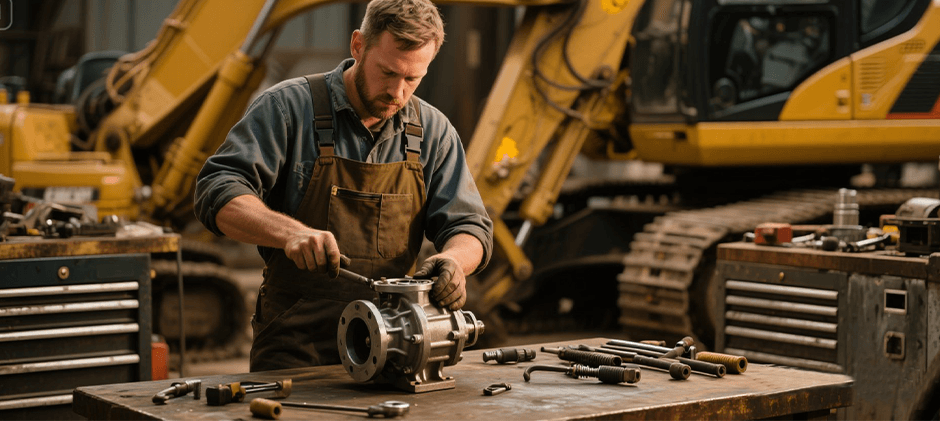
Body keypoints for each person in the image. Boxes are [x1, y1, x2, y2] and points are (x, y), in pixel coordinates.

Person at [193, 0, 493, 372]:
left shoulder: (433, 132)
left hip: (394, 346)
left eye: (412, 79)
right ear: (357, 46)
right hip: (295, 348)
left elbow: (470, 227)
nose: (398, 93)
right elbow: (216, 190)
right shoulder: (288, 109)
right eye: (387, 73)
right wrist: (289, 233)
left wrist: (454, 261)